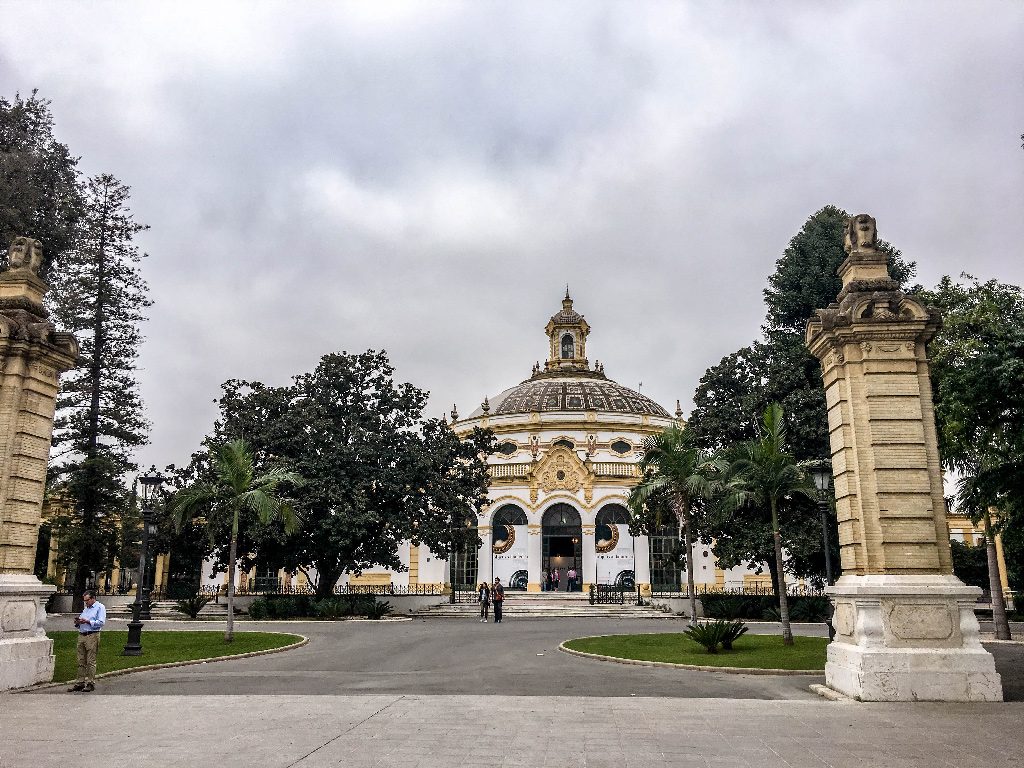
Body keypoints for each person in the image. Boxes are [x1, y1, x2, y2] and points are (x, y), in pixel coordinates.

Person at [69, 590, 106, 692]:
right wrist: (78, 622)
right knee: (81, 660)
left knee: (90, 660)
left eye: (87, 600)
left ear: (93, 598)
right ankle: (80, 682)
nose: (86, 602)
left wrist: (88, 621)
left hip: (92, 635)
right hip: (82, 634)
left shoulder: (100, 607)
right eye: (85, 600)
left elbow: (101, 622)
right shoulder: (86, 609)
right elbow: (82, 620)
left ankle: (90, 682)